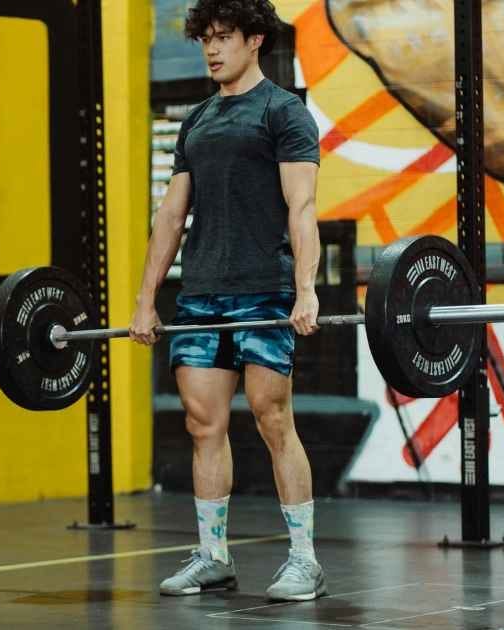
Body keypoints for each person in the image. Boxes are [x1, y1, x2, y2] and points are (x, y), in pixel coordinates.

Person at [129, 0, 326, 602]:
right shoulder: (197, 122)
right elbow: (170, 214)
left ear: (255, 40)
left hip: (265, 291)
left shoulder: (283, 112)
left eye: (223, 38)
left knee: (272, 418)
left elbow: (303, 207)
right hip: (202, 296)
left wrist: (306, 288)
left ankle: (304, 560)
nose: (212, 50)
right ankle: (213, 556)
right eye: (205, 40)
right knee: (202, 424)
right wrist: (146, 300)